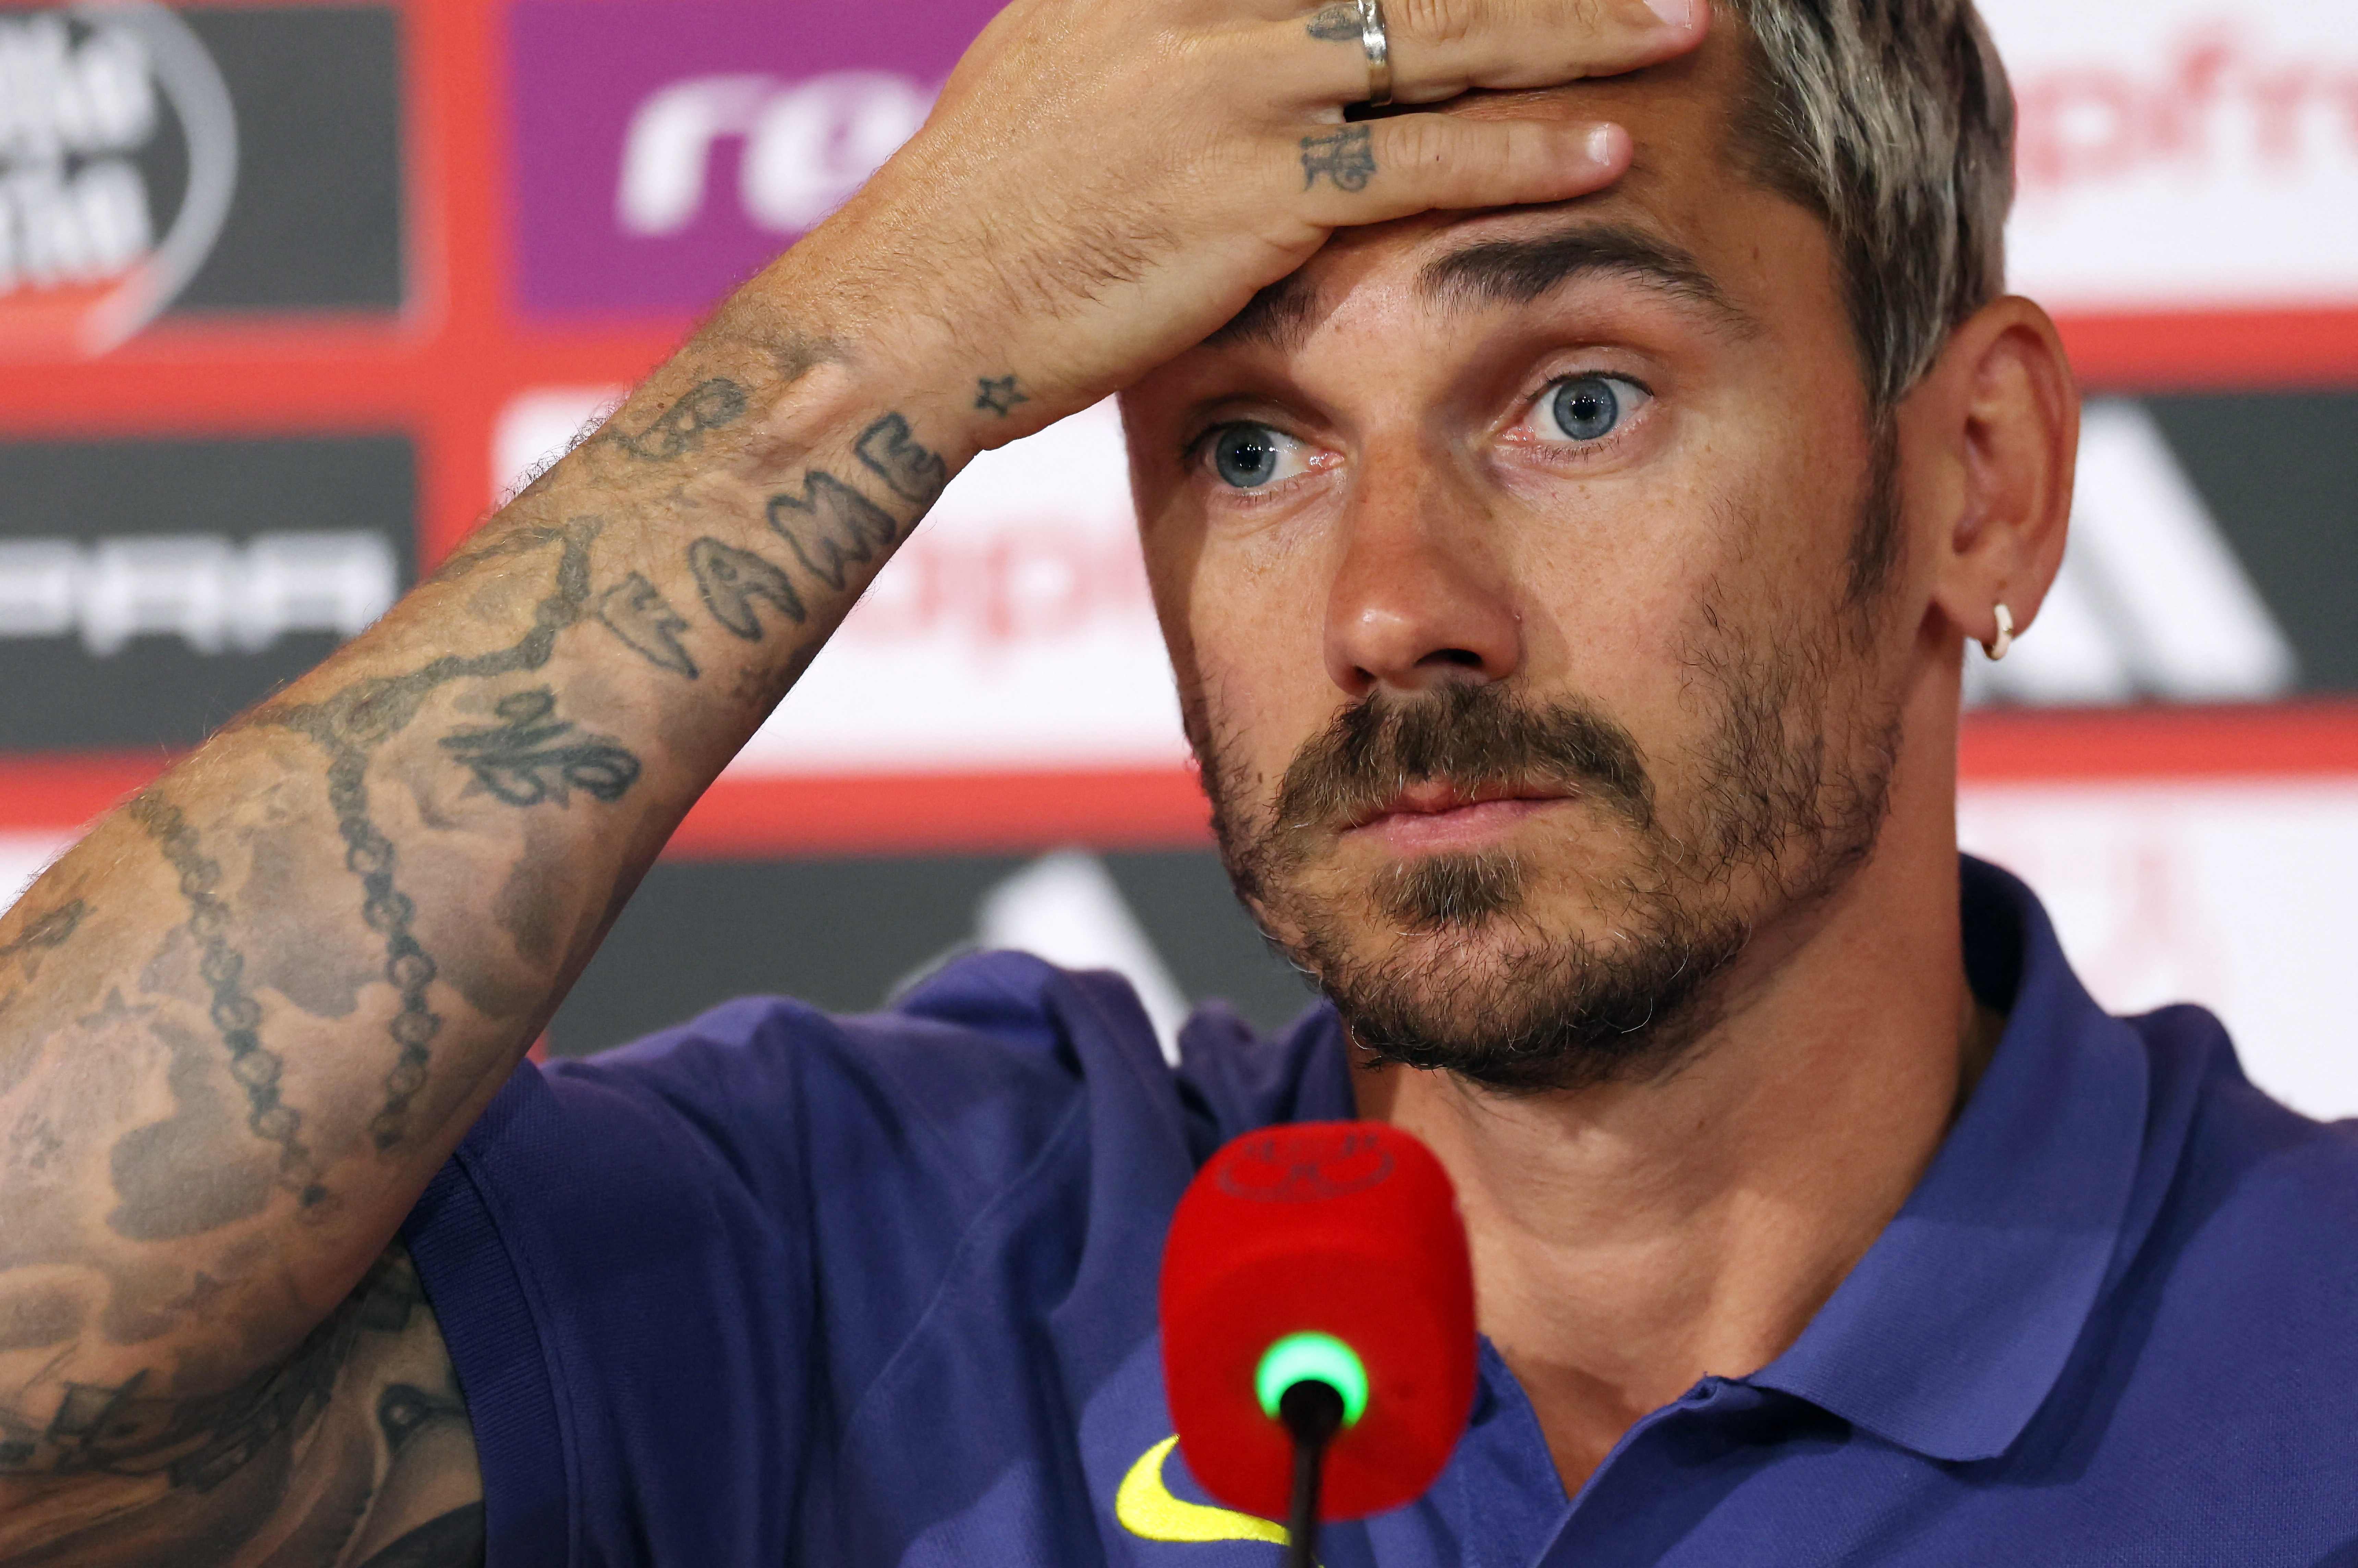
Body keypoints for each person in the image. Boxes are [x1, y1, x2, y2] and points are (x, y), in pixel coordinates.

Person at [3, 0, 2355, 1560]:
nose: (1388, 605)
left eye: (1578, 399)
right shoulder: (911, 1249)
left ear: (1982, 479)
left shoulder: (2311, 1338)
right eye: (1251, 443)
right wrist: (892, 322)